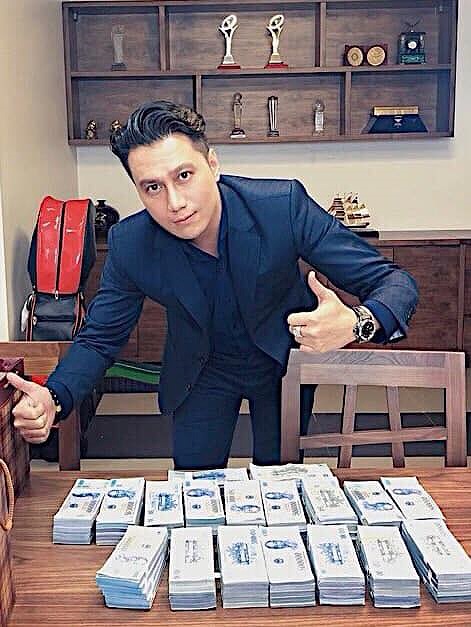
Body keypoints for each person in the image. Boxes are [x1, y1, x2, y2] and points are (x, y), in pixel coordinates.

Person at [5, 100, 418, 469]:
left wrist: (358, 322)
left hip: (280, 361)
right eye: (153, 187)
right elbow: (100, 339)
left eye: (184, 175)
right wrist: (54, 396)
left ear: (213, 165)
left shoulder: (281, 208)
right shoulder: (131, 243)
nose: (175, 203)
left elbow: (393, 280)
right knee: (194, 489)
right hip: (200, 370)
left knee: (281, 487)